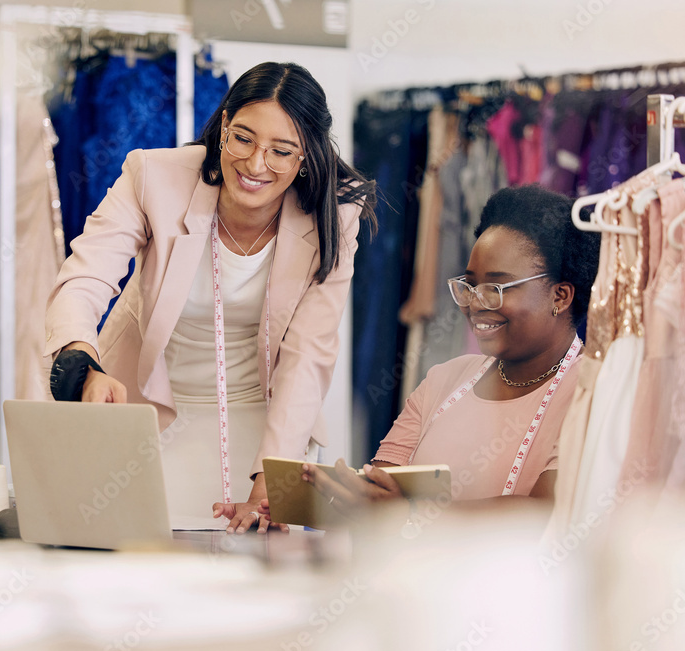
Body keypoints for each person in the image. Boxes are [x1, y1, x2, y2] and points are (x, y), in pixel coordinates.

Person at [44, 62, 376, 533]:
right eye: (243, 138)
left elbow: (308, 353)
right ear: (223, 125)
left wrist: (271, 478)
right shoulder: (153, 176)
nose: (256, 164)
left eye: (281, 151)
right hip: (144, 409)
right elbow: (85, 278)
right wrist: (82, 364)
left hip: (265, 426)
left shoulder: (333, 214)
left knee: (251, 578)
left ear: (306, 156)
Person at [292, 185, 601, 521]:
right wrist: (322, 499)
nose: (475, 303)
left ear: (561, 296)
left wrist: (411, 514)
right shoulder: (445, 379)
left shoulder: (592, 390)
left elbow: (546, 513)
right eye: (469, 285)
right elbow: (380, 491)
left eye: (495, 288)